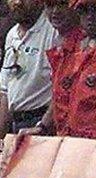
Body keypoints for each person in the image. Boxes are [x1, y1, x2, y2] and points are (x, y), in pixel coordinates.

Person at [19, 0, 96, 138]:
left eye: (95, 9)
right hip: (70, 144)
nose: (90, 16)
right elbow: (60, 97)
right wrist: (42, 126)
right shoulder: (66, 52)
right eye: (84, 10)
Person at [0, 0, 59, 150]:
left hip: (43, 125)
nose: (17, 2)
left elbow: (63, 89)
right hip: (16, 126)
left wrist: (43, 126)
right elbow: (6, 94)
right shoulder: (11, 35)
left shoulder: (53, 31)